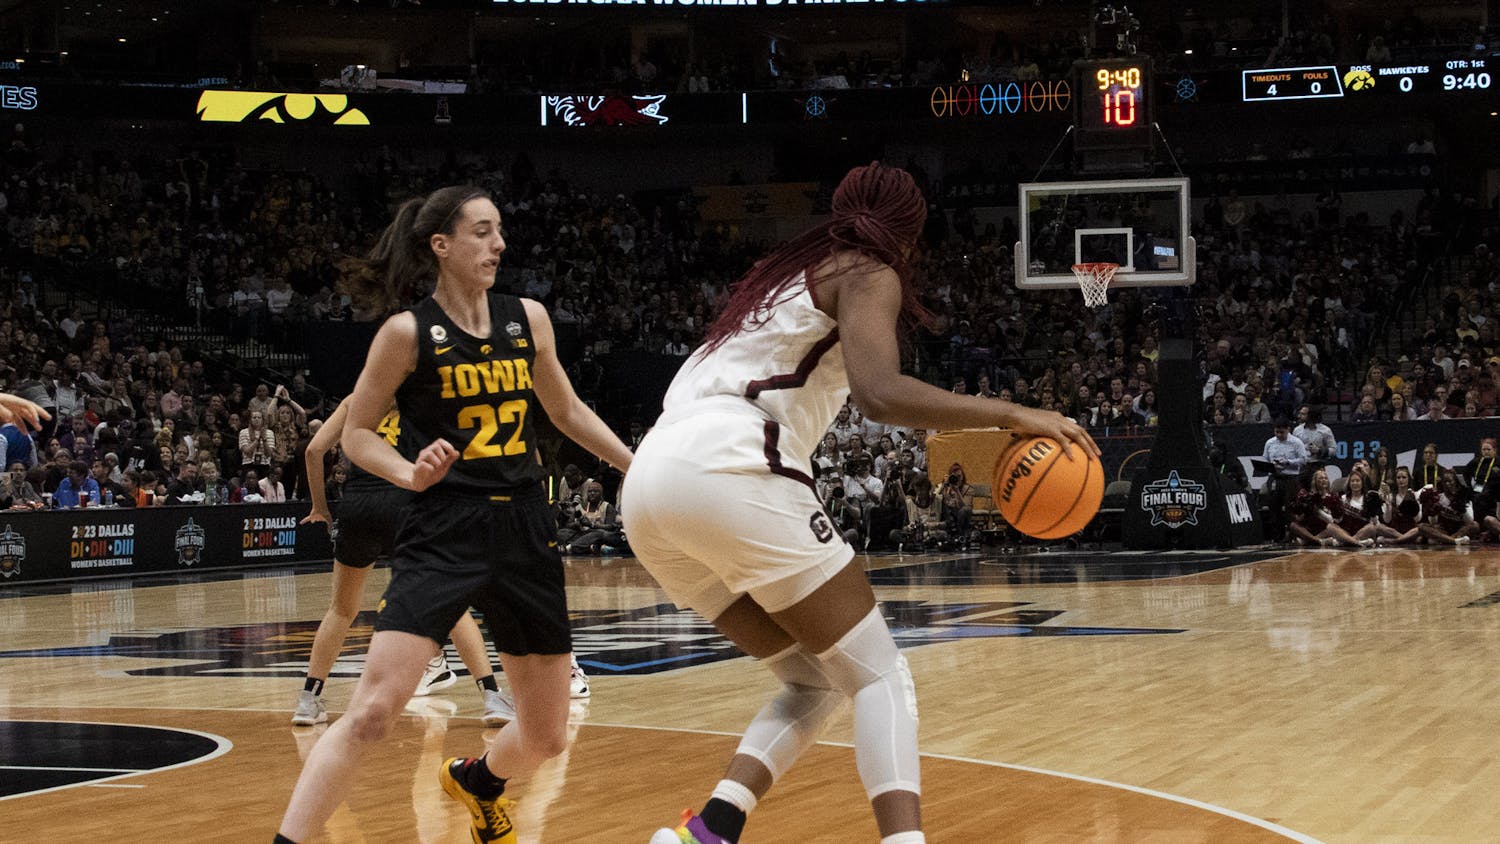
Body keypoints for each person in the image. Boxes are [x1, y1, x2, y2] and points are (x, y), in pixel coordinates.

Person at [620, 162, 1097, 844]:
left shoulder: (778, 278)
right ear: (912, 230)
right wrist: (1009, 413)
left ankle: (710, 830)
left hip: (650, 485)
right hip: (729, 465)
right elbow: (880, 392)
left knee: (814, 679)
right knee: (881, 677)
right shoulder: (868, 270)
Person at [275, 186, 634, 844]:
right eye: (481, 232)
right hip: (444, 526)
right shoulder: (406, 333)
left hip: (526, 526)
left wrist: (634, 465)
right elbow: (354, 436)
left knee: (549, 735)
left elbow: (567, 412)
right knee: (374, 711)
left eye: (499, 231)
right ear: (441, 245)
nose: (497, 244)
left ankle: (478, 780)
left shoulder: (529, 318)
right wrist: (407, 473)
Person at [292, 396, 513, 729]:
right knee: (452, 607)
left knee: (342, 609)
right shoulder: (424, 393)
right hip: (406, 498)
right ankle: (492, 697)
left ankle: (308, 700)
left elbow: (313, 452)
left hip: (358, 505)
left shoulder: (357, 399)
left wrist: (320, 507)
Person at [1261, 418, 1307, 543]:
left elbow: (1303, 460)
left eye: (1282, 432)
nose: (1279, 435)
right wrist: (1270, 465)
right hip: (1275, 478)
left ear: (1288, 429)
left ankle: (1292, 536)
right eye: (1277, 432)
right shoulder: (1270, 443)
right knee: (1273, 507)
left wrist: (1288, 462)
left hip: (1290, 479)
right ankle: (1276, 538)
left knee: (1290, 509)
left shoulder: (1296, 442)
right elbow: (1265, 458)